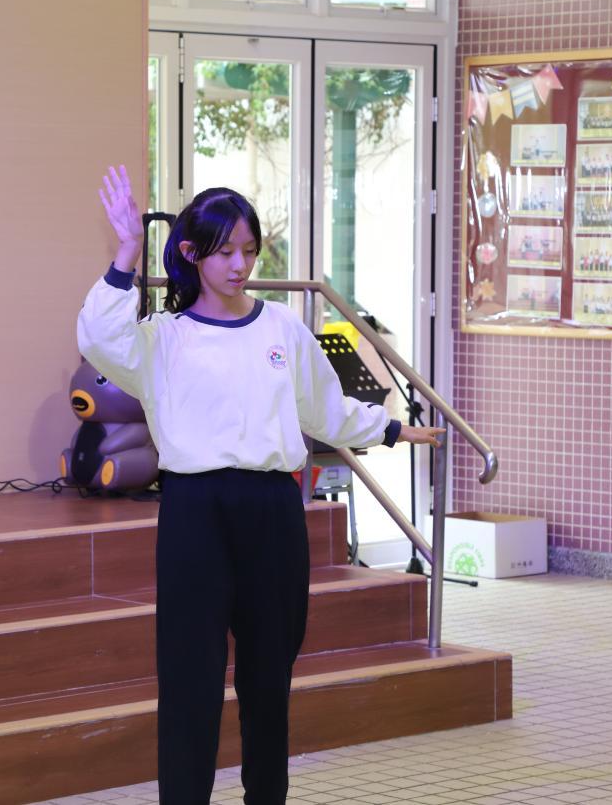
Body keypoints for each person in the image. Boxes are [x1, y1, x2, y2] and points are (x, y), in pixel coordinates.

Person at [78, 165, 444, 803]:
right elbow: (99, 337)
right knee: (189, 678)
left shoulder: (281, 328)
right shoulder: (163, 339)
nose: (240, 265)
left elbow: (322, 407)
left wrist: (390, 429)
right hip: (195, 513)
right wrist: (127, 251)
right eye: (225, 252)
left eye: (249, 251)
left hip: (273, 511)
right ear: (191, 253)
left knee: (269, 678)